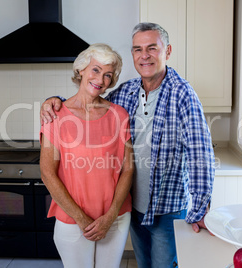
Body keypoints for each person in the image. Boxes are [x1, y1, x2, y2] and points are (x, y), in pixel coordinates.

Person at [41, 23, 215, 268]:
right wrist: (56, 101)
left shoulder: (183, 94)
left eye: (152, 48)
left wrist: (200, 210)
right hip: (135, 209)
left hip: (167, 209)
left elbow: (201, 155)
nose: (144, 55)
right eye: (138, 49)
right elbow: (90, 102)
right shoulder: (126, 93)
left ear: (168, 51)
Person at [39, 43, 134, 268]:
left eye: (108, 75)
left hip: (115, 218)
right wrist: (81, 219)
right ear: (81, 70)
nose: (101, 80)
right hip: (72, 220)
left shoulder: (119, 115)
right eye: (96, 70)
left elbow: (128, 169)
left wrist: (110, 216)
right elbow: (47, 173)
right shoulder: (56, 115)